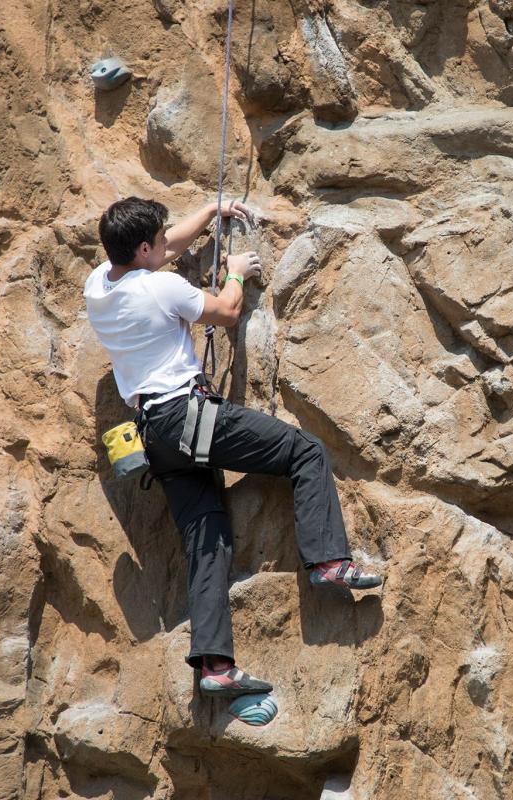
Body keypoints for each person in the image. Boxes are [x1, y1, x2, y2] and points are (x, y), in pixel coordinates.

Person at [84, 196, 381, 699]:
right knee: (304, 452)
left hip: (154, 438)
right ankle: (328, 562)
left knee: (208, 540)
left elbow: (167, 245)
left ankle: (215, 666)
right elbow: (224, 311)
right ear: (141, 249)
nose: (166, 243)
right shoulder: (163, 287)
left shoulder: (99, 285)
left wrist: (209, 210)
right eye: (158, 240)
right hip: (187, 416)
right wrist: (237, 271)